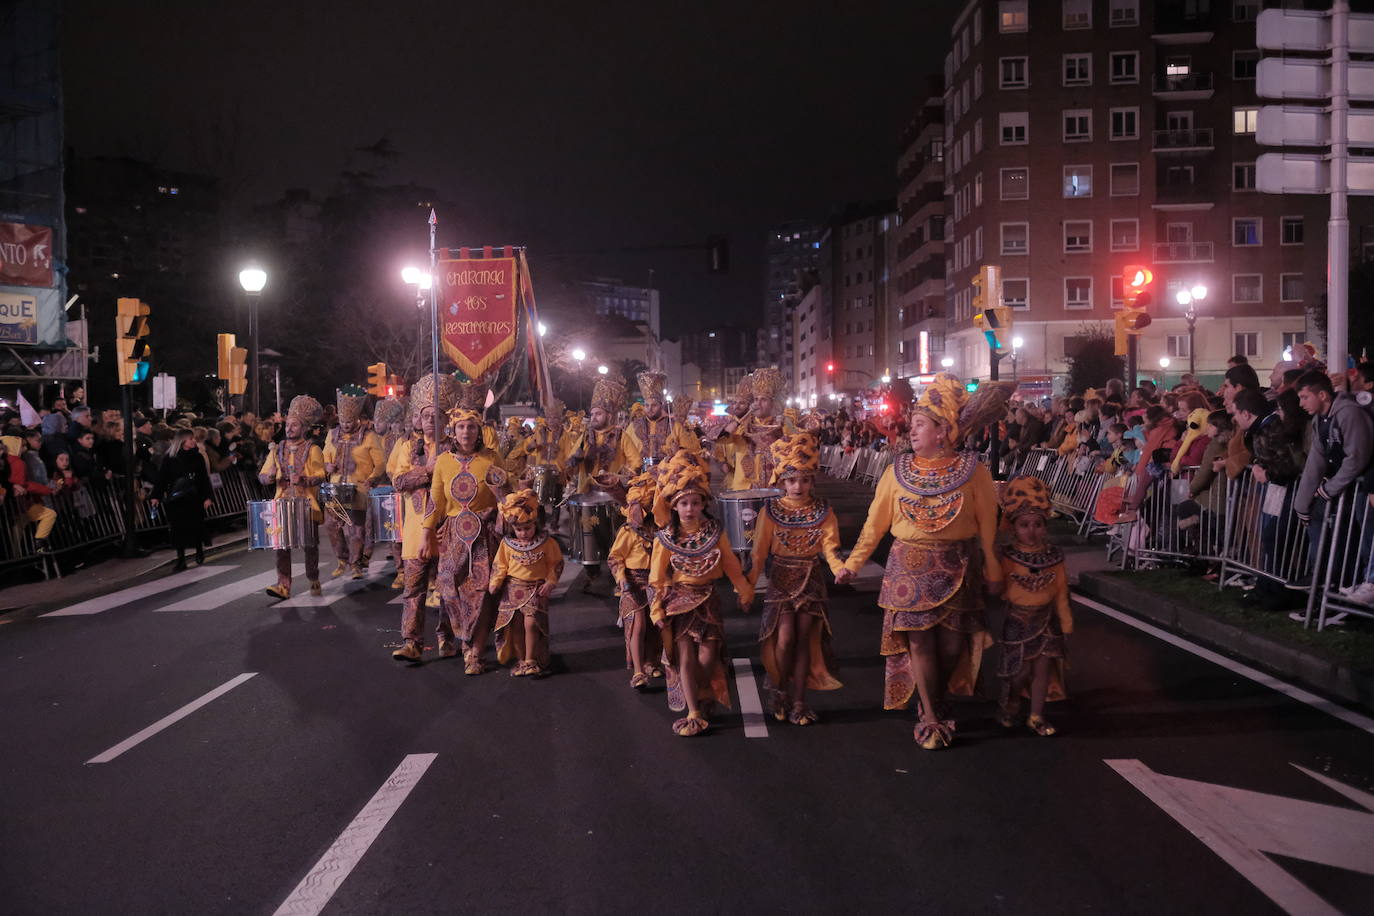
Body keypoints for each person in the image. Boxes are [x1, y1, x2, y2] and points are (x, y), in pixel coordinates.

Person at [835, 373, 1009, 749]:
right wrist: (853, 563)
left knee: (950, 646)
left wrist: (994, 569)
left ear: (943, 431)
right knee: (919, 645)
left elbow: (988, 526)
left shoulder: (974, 471)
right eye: (912, 424)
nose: (911, 431)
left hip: (959, 567)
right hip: (908, 569)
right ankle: (931, 715)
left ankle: (936, 694)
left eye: (919, 425)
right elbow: (875, 522)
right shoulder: (895, 471)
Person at [648, 450, 754, 737]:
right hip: (679, 601)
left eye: (695, 502)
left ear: (704, 503)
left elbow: (731, 565)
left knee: (708, 657)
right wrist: (656, 610)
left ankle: (702, 691)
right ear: (674, 506)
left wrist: (744, 591)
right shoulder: (666, 538)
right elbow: (656, 579)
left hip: (709, 600)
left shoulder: (714, 531)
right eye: (683, 503)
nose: (690, 508)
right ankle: (693, 711)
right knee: (685, 656)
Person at [748, 434, 844, 726]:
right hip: (781, 579)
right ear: (782, 483)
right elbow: (759, 553)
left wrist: (840, 567)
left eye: (803, 480)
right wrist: (747, 587)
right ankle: (779, 690)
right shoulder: (771, 511)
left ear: (812, 482)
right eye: (791, 480)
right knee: (785, 638)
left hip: (811, 578)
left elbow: (831, 546)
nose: (797, 486)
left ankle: (800, 701)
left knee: (805, 641)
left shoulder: (823, 510)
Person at [420, 378, 511, 674]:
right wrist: (426, 534)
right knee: (448, 585)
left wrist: (498, 513)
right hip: (453, 535)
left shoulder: (490, 458)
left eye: (472, 427)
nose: (466, 432)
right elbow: (434, 499)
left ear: (479, 430)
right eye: (461, 427)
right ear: (452, 431)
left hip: (485, 534)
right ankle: (463, 637)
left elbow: (504, 495)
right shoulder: (443, 462)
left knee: (482, 592)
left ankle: (473, 653)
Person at [996, 476, 1073, 737]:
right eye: (1024, 525)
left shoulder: (1054, 555)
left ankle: (1036, 715)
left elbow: (1061, 589)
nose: (1032, 530)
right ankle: (1012, 702)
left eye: (1038, 524)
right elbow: (996, 585)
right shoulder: (1006, 556)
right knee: (1019, 671)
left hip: (1047, 620)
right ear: (1013, 527)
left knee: (1042, 668)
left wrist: (1066, 621)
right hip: (1017, 621)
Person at [390, 374, 458, 663]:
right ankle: (412, 642)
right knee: (414, 588)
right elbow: (398, 481)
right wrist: (428, 471)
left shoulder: (455, 448)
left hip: (447, 529)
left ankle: (446, 637)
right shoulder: (407, 447)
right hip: (417, 531)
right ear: (418, 419)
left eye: (437, 415)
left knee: (447, 587)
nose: (431, 420)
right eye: (426, 415)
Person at [488, 489, 564, 677]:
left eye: (527, 528)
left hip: (535, 590)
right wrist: (495, 582)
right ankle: (522, 659)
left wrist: (551, 581)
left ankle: (531, 660)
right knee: (515, 626)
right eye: (519, 529)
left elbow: (556, 563)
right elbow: (500, 565)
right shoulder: (507, 544)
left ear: (535, 524)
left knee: (531, 624)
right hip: (512, 589)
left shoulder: (546, 542)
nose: (523, 533)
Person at [257, 395, 326, 599]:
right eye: (288, 425)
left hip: (306, 504)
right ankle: (283, 585)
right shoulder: (276, 450)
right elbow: (262, 474)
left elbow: (321, 475)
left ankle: (313, 578)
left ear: (303, 427)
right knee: (281, 546)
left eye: (294, 425)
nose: (289, 428)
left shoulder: (313, 449)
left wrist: (304, 478)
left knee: (310, 545)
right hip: (282, 503)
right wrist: (267, 477)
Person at [565, 376, 627, 590]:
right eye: (592, 413)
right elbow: (570, 462)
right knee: (589, 535)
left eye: (598, 413)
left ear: (609, 415)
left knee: (616, 535)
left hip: (613, 494)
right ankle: (591, 571)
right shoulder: (585, 435)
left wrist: (620, 476)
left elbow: (635, 462)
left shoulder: (620, 435)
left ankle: (618, 574)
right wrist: (576, 458)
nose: (594, 417)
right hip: (588, 492)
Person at [322, 386, 386, 580]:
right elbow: (325, 456)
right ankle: (342, 559)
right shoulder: (332, 434)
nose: (346, 424)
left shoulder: (369, 436)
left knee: (356, 528)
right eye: (343, 420)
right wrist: (328, 466)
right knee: (331, 525)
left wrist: (372, 478)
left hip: (358, 488)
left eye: (349, 421)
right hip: (335, 488)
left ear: (357, 418)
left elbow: (381, 463)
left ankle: (356, 563)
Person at [608, 472, 663, 690]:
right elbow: (614, 558)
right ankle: (639, 671)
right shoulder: (627, 531)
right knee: (638, 624)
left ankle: (652, 662)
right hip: (632, 582)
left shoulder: (661, 530)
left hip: (655, 581)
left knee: (655, 625)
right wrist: (621, 578)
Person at [716, 367, 798, 490]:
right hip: (746, 489)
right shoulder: (743, 427)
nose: (758, 404)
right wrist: (739, 420)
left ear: (773, 403)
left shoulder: (782, 425)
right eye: (756, 399)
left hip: (775, 489)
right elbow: (720, 439)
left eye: (763, 400)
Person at [150, 427, 213, 570]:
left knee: (196, 525)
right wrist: (156, 496)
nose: (193, 441)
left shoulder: (197, 457)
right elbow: (162, 478)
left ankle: (199, 550)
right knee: (177, 529)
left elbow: (203, 478)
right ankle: (181, 559)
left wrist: (207, 497)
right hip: (176, 498)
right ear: (182, 440)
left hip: (193, 497)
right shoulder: (170, 458)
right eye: (190, 438)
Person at [619, 371, 698, 473]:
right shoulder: (633, 426)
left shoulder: (675, 426)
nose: (649, 409)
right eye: (647, 405)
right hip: (638, 478)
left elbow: (690, 453)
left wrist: (678, 451)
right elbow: (623, 454)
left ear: (661, 406)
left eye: (654, 405)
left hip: (667, 478)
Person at [0, 438, 57, 553]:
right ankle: (39, 543)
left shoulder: (5, 462)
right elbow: (23, 484)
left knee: (17, 528)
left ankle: (16, 555)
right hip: (19, 503)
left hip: (12, 504)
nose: (24, 449)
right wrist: (47, 490)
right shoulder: (17, 462)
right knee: (50, 514)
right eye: (22, 446)